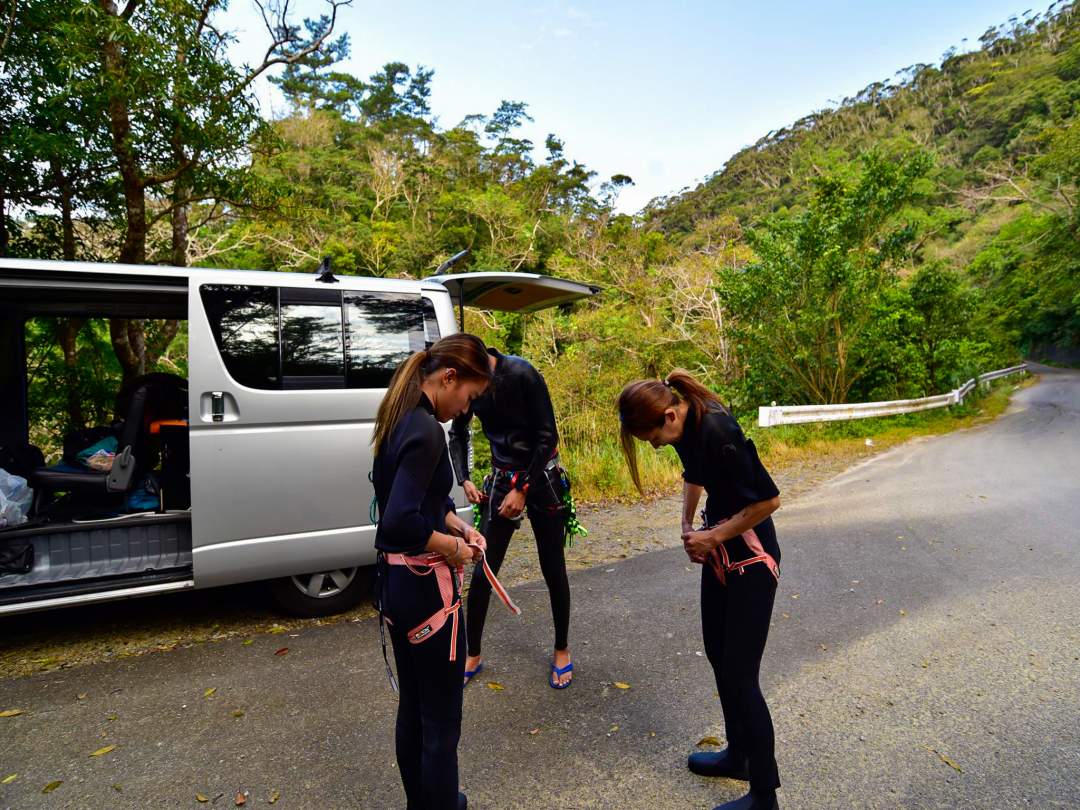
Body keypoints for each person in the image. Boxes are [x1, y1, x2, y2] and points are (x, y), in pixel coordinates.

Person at [618, 369, 783, 810]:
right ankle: (738, 756)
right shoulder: (685, 428)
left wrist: (712, 537)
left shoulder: (717, 427)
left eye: (652, 437)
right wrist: (689, 524)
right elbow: (695, 474)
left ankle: (764, 797)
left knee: (741, 675)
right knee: (717, 655)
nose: (653, 444)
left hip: (751, 559)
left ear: (669, 415)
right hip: (721, 553)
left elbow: (767, 501)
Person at [372, 333, 492, 810]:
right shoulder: (425, 431)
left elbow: (422, 499)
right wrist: (453, 550)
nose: (466, 409)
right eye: (469, 396)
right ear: (449, 378)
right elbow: (397, 521)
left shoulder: (399, 417)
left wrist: (458, 525)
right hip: (427, 593)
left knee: (415, 712)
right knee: (441, 722)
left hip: (398, 588)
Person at [448, 346, 574, 688]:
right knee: (484, 565)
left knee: (553, 566)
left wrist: (524, 488)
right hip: (503, 479)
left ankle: (562, 649)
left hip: (541, 476)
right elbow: (457, 432)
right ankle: (472, 653)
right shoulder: (471, 382)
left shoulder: (522, 373)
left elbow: (548, 436)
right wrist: (464, 477)